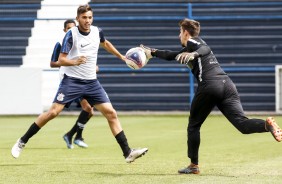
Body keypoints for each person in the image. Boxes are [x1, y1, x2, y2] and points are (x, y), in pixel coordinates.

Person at [140, 18, 281, 174]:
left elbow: (204, 49)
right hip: (227, 84)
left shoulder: (194, 43)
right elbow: (171, 55)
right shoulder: (189, 48)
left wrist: (194, 54)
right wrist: (151, 52)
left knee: (194, 125)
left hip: (210, 86)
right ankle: (267, 126)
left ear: (186, 33)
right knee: (242, 124)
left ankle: (193, 166)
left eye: (180, 32)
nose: (179, 35)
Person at [11, 4, 148, 163]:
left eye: (90, 17)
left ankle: (127, 152)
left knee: (111, 113)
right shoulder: (71, 35)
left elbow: (105, 43)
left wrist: (122, 57)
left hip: (91, 83)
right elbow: (60, 60)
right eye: (84, 18)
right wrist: (75, 62)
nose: (87, 21)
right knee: (53, 112)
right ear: (78, 19)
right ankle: (22, 141)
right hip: (72, 82)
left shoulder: (97, 31)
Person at [50, 19, 98, 149]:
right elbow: (53, 63)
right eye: (68, 28)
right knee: (87, 109)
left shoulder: (78, 42)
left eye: (73, 27)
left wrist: (92, 66)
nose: (71, 30)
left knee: (90, 111)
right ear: (65, 30)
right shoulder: (60, 44)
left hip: (82, 79)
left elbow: (85, 58)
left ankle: (73, 135)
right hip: (70, 80)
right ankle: (75, 136)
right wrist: (71, 62)